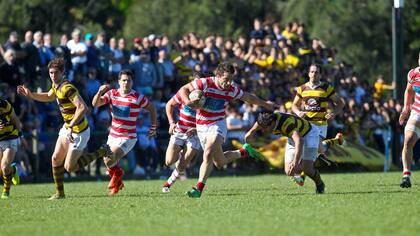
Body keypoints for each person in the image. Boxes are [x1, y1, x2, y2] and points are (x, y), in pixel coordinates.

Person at [17, 58, 110, 200]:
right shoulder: (56, 86)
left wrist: (71, 125)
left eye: (55, 73)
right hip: (69, 128)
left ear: (62, 73)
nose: (52, 75)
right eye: (50, 73)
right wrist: (31, 95)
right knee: (55, 159)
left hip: (79, 131)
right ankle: (60, 193)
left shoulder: (67, 88)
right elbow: (48, 96)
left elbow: (83, 108)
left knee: (70, 167)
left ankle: (102, 151)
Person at [178, 62, 276, 198]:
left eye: (231, 79)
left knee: (207, 153)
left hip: (217, 124)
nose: (229, 83)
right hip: (201, 125)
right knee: (220, 162)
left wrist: (266, 104)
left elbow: (248, 97)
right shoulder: (204, 83)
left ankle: (198, 189)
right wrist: (187, 102)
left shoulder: (231, 89)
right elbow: (183, 90)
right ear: (217, 76)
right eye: (226, 79)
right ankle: (243, 152)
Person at [92, 69, 158, 195]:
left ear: (132, 82)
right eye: (123, 80)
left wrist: (153, 126)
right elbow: (95, 104)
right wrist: (100, 91)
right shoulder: (112, 93)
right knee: (107, 161)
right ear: (118, 81)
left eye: (128, 80)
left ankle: (118, 176)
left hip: (128, 137)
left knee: (109, 159)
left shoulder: (137, 97)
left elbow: (152, 108)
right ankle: (118, 182)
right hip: (113, 135)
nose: (126, 82)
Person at [244, 111, 325, 194]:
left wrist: (295, 162)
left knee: (307, 168)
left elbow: (299, 141)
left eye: (265, 127)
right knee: (289, 171)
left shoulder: (286, 123)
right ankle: (301, 172)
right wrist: (250, 133)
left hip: (309, 134)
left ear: (272, 123)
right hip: (293, 137)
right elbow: (257, 125)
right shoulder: (265, 120)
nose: (263, 130)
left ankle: (319, 183)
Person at [292, 64, 344, 158]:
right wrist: (298, 112)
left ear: (320, 75)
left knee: (316, 148)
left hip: (320, 123)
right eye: (312, 72)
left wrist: (333, 113)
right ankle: (336, 141)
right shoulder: (302, 88)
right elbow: (294, 105)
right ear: (308, 74)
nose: (314, 74)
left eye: (316, 72)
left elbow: (340, 103)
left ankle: (305, 170)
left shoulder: (326, 88)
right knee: (312, 148)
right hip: (306, 123)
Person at [161, 91, 201, 193]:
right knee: (169, 161)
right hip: (179, 132)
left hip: (195, 136)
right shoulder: (184, 94)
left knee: (183, 164)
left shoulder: (207, 100)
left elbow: (210, 121)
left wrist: (196, 129)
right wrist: (171, 123)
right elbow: (169, 105)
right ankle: (180, 156)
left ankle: (168, 184)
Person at [399, 51, 420, 188]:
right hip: (418, 111)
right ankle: (406, 175)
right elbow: (409, 90)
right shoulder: (413, 74)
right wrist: (406, 108)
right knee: (408, 139)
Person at [0, 99, 23, 199]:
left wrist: (21, 135)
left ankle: (6, 191)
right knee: (2, 170)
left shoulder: (4, 104)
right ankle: (13, 170)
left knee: (4, 167)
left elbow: (14, 119)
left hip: (11, 137)